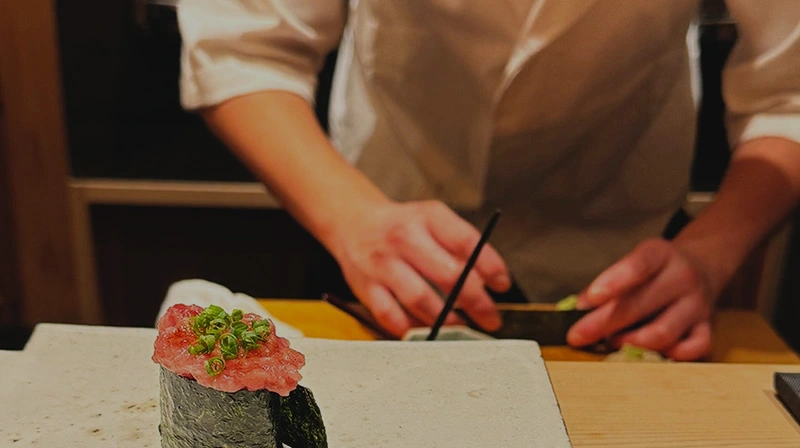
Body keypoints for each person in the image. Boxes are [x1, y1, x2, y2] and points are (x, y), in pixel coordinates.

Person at [177, 1, 800, 360]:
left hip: (625, 232)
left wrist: (709, 256)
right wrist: (351, 218)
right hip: (379, 219)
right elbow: (247, 47)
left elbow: (789, 91)